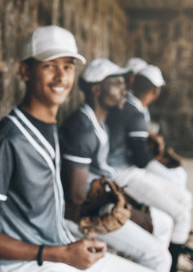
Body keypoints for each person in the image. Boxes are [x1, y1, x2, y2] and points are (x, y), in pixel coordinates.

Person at [0, 26, 152, 272]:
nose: (61, 76)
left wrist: (94, 213)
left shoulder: (49, 125)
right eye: (49, 65)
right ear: (25, 71)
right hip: (23, 264)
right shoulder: (7, 140)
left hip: (54, 245)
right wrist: (60, 254)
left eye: (68, 66)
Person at [59, 58, 171, 272]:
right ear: (97, 89)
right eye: (117, 84)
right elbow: (76, 196)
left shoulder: (98, 121)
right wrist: (125, 211)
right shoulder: (82, 128)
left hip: (98, 202)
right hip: (81, 215)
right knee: (158, 257)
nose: (124, 89)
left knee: (158, 226)